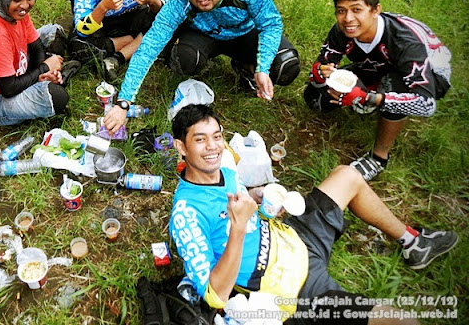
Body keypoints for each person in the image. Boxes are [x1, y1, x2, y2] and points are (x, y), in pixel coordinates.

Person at [169, 104, 458, 324]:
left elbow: (242, 199)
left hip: (294, 237)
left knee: (347, 175)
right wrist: (238, 228)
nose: (213, 147)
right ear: (181, 147)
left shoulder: (224, 168)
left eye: (217, 137)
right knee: (400, 320)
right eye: (201, 140)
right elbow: (214, 296)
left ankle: (414, 243)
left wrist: (257, 196)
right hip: (290, 286)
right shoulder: (186, 213)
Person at [103, 0, 300, 134]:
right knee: (184, 59)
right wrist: (123, 102)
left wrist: (263, 68)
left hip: (245, 34)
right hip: (206, 37)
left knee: (286, 66)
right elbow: (149, 46)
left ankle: (247, 66)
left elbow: (270, 23)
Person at [304, 0, 452, 180]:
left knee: (395, 90)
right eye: (341, 10)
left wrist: (369, 98)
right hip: (376, 65)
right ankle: (371, 92)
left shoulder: (405, 42)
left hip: (431, 77)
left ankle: (378, 157)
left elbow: (427, 105)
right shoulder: (342, 30)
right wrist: (320, 73)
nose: (347, 19)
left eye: (357, 10)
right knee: (315, 99)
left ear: (375, 10)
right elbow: (322, 67)